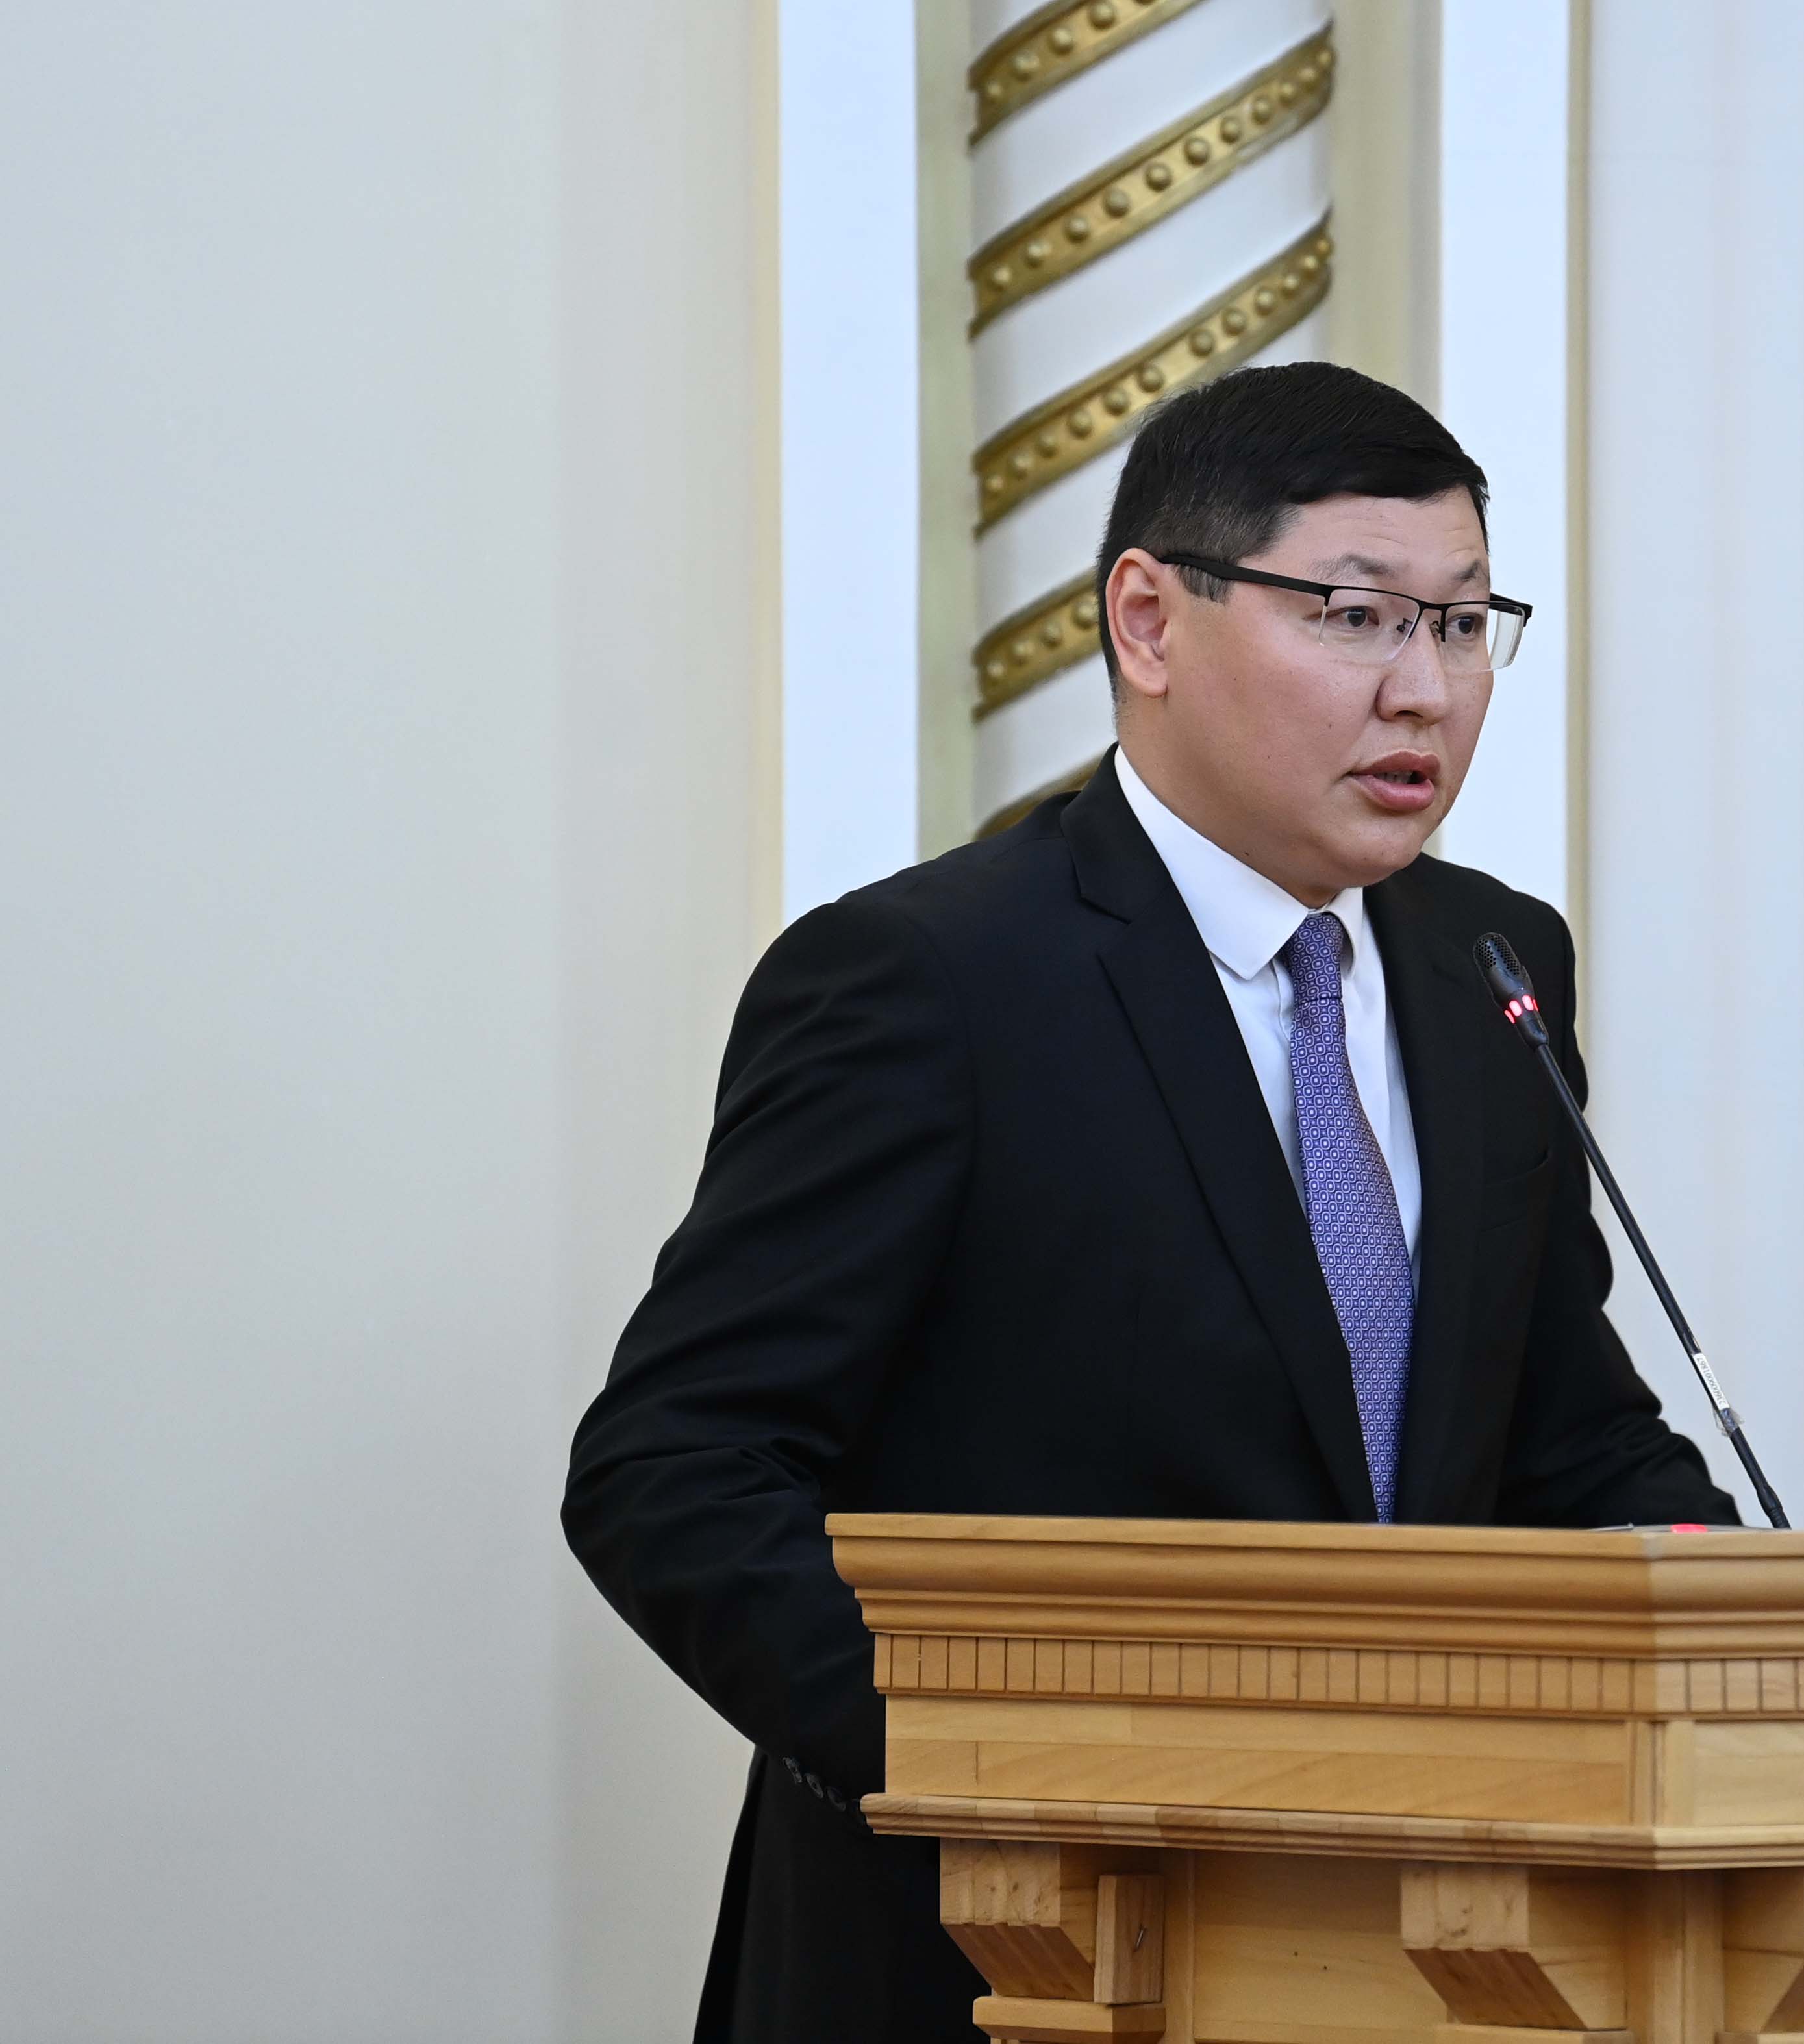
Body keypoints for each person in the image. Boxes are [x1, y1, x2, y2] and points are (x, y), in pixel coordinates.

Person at [562, 361, 1736, 2043]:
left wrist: (1751, 1650)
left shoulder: (1491, 962)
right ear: (1148, 619)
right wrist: (1004, 1770)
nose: (1424, 690)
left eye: (1466, 624)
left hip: (1412, 1955)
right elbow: (676, 1474)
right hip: (999, 1960)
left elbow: (1563, 1439)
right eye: (1356, 615)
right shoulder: (930, 982)